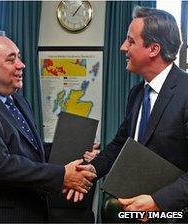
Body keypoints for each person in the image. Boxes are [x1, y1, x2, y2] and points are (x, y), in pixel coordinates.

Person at [66, 6, 188, 222]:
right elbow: (122, 144)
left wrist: (159, 201)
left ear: (154, 49)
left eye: (131, 41)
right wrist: (90, 170)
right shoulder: (137, 93)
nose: (123, 47)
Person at [0, 32, 96, 223]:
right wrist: (62, 176)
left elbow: (31, 150)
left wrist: (78, 153)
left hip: (32, 212)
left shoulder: (17, 100)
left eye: (19, 56)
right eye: (11, 59)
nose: (21, 64)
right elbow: (0, 165)